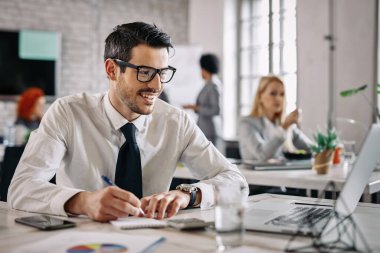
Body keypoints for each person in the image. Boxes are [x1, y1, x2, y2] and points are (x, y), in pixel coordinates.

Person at [8, 22, 248, 222]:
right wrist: (84, 201)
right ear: (112, 70)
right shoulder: (68, 113)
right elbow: (21, 188)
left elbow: (236, 182)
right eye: (145, 71)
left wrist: (189, 194)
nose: (157, 86)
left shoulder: (176, 122)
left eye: (162, 73)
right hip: (81, 242)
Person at [238, 75, 311, 162]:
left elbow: (312, 148)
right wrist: (284, 127)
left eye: (282, 94)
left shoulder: (283, 124)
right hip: (255, 175)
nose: (278, 98)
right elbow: (261, 154)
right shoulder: (247, 124)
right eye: (273, 93)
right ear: (260, 96)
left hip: (279, 174)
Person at [183, 54, 222, 147]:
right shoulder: (208, 85)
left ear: (205, 69)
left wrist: (197, 108)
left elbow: (216, 110)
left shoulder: (213, 86)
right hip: (205, 130)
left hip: (210, 132)